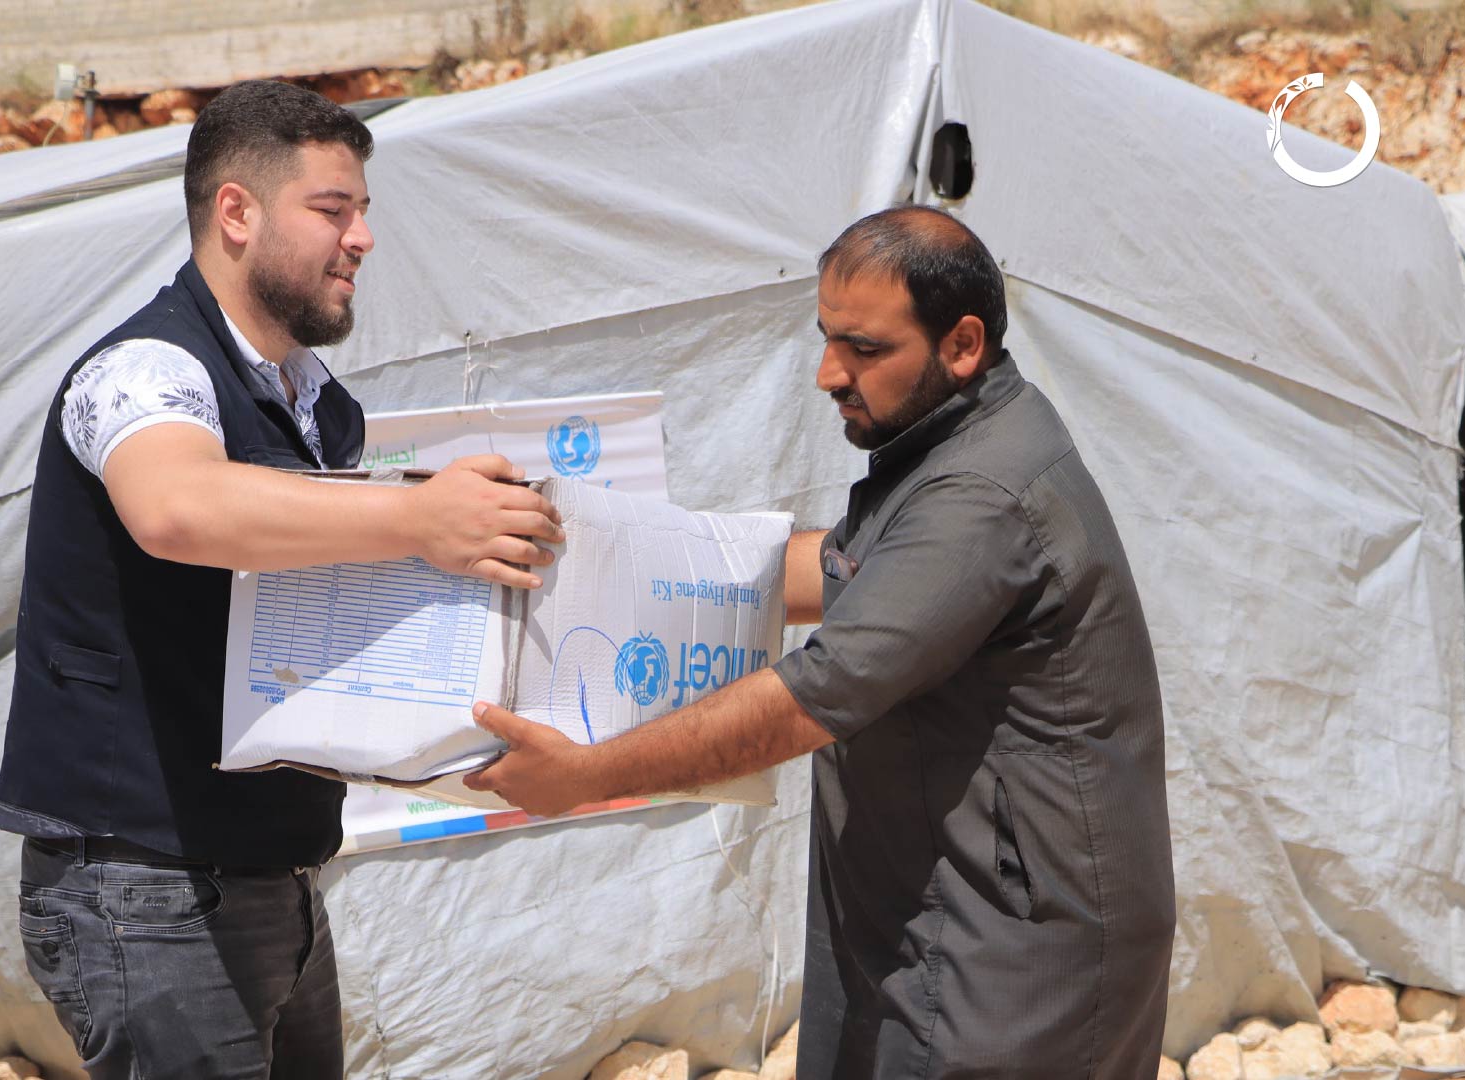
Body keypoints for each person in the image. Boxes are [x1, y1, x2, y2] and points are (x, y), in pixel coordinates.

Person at [465, 205, 1176, 1079]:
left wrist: (584, 776)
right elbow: (828, 574)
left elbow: (815, 696)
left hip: (1010, 951)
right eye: (827, 338)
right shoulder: (947, 445)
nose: (828, 374)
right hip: (939, 908)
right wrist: (569, 544)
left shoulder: (982, 494)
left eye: (865, 350)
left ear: (961, 345)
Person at [0, 80, 564, 1080]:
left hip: (271, 876)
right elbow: (179, 508)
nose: (362, 240)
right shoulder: (142, 371)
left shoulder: (316, 407)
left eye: (364, 213)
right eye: (332, 210)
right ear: (238, 214)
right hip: (147, 887)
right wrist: (419, 520)